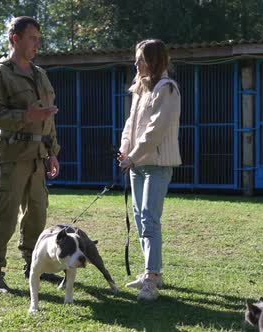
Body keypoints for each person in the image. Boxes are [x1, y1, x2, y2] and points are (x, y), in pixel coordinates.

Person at [0, 16, 61, 293]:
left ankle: (34, 265)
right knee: (3, 214)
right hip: (10, 155)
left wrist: (52, 151)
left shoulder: (41, 75)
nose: (37, 43)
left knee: (37, 215)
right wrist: (26, 116)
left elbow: (48, 119)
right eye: (32, 38)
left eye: (39, 38)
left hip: (38, 155)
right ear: (15, 38)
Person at [118, 39, 181, 301]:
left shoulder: (167, 89)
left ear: (155, 61)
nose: (136, 63)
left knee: (149, 219)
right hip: (137, 164)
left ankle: (152, 278)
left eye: (141, 58)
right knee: (141, 219)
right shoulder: (139, 88)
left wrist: (132, 156)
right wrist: (125, 151)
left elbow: (155, 130)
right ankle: (151, 272)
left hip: (156, 165)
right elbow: (131, 124)